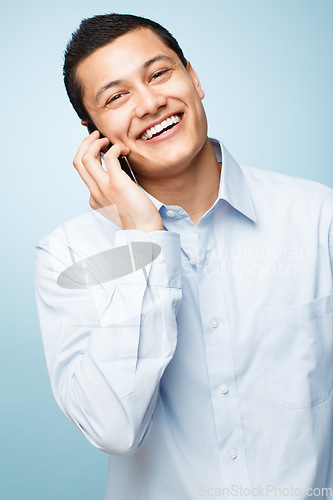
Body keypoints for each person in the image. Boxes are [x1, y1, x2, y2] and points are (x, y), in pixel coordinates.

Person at [35, 13, 333, 500]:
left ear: (193, 78)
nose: (151, 103)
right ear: (93, 132)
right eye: (117, 96)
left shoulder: (319, 218)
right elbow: (113, 429)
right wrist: (144, 242)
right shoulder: (68, 258)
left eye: (159, 74)